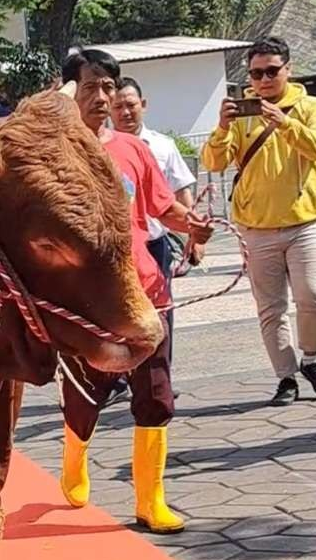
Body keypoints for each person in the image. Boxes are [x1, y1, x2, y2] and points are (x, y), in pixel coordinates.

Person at [59, 48, 212, 533]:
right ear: (70, 93)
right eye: (90, 88)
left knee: (156, 391)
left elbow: (162, 207)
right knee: (88, 391)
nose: (102, 97)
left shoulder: (134, 149)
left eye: (109, 87)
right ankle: (74, 456)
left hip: (146, 287)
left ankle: (150, 501)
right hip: (88, 298)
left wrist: (193, 226)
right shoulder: (53, 152)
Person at [202, 36, 316, 406]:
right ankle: (286, 377)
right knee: (270, 308)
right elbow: (213, 163)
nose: (263, 79)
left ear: (288, 70)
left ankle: (311, 358)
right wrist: (223, 127)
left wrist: (283, 123)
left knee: (315, 296)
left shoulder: (311, 106)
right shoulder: (241, 113)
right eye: (256, 73)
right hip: (255, 227)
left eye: (272, 71)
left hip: (303, 221)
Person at [111, 76, 205, 362]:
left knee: (160, 311)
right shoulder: (93, 148)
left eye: (130, 105)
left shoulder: (163, 146)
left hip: (155, 244)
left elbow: (179, 192)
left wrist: (194, 235)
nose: (125, 112)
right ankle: (120, 377)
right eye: (118, 107)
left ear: (144, 105)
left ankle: (158, 373)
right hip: (117, 250)